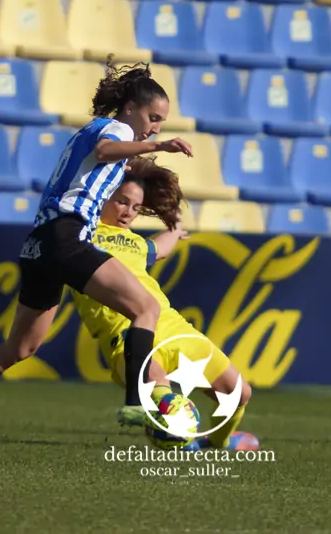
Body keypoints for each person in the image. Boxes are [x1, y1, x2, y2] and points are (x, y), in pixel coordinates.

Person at [0, 60, 193, 440]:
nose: (156, 126)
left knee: (21, 346)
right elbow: (106, 148)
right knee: (145, 308)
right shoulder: (112, 128)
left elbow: (109, 161)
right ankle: (135, 403)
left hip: (39, 243)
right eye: (153, 117)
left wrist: (149, 175)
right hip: (67, 235)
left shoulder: (98, 135)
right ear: (130, 107)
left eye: (161, 122)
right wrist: (157, 145)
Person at [72, 156, 257, 451]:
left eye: (135, 207)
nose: (128, 213)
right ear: (104, 195)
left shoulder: (137, 243)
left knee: (239, 394)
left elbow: (163, 246)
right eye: (121, 202)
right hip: (130, 334)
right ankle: (177, 437)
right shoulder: (79, 238)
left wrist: (173, 220)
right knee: (162, 392)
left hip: (174, 328)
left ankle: (217, 441)